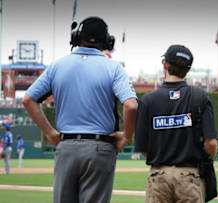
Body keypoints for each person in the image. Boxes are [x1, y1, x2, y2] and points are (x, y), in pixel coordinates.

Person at [23, 16, 138, 203]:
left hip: (66, 145)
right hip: (100, 148)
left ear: (76, 37)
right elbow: (131, 105)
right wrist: (127, 136)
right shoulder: (114, 68)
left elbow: (28, 100)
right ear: (107, 41)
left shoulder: (57, 66)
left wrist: (50, 132)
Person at [135, 44, 218, 203]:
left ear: (165, 64)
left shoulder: (147, 100)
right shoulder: (200, 96)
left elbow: (143, 149)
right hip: (190, 176)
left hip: (158, 176)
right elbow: (211, 143)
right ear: (188, 70)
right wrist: (208, 159)